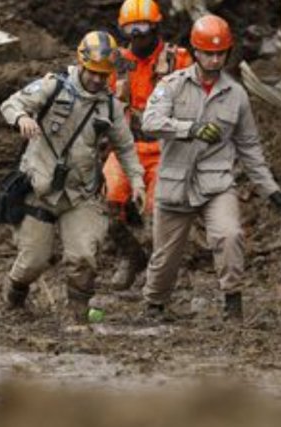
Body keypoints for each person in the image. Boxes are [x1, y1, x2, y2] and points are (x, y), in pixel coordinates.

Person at [140, 15, 281, 321]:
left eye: (220, 53)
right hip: (175, 182)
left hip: (216, 184)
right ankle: (154, 304)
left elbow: (249, 147)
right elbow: (150, 123)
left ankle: (232, 303)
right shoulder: (171, 86)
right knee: (166, 254)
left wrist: (270, 189)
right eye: (208, 53)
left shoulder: (236, 96)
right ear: (195, 51)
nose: (215, 59)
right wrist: (189, 129)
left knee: (229, 235)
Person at [0, 31, 146, 324]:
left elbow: (126, 147)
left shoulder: (110, 106)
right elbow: (10, 104)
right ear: (81, 64)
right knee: (33, 262)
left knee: (83, 257)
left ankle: (77, 315)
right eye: (92, 73)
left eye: (104, 75)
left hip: (80, 193)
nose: (97, 80)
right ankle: (13, 296)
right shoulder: (53, 86)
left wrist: (138, 181)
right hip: (39, 189)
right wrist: (22, 118)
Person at [103, 0, 193, 290]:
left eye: (143, 28)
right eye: (130, 29)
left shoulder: (178, 59)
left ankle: (163, 273)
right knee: (105, 204)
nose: (137, 35)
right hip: (127, 148)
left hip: (165, 150)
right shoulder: (117, 62)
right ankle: (131, 256)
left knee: (160, 214)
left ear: (156, 26)